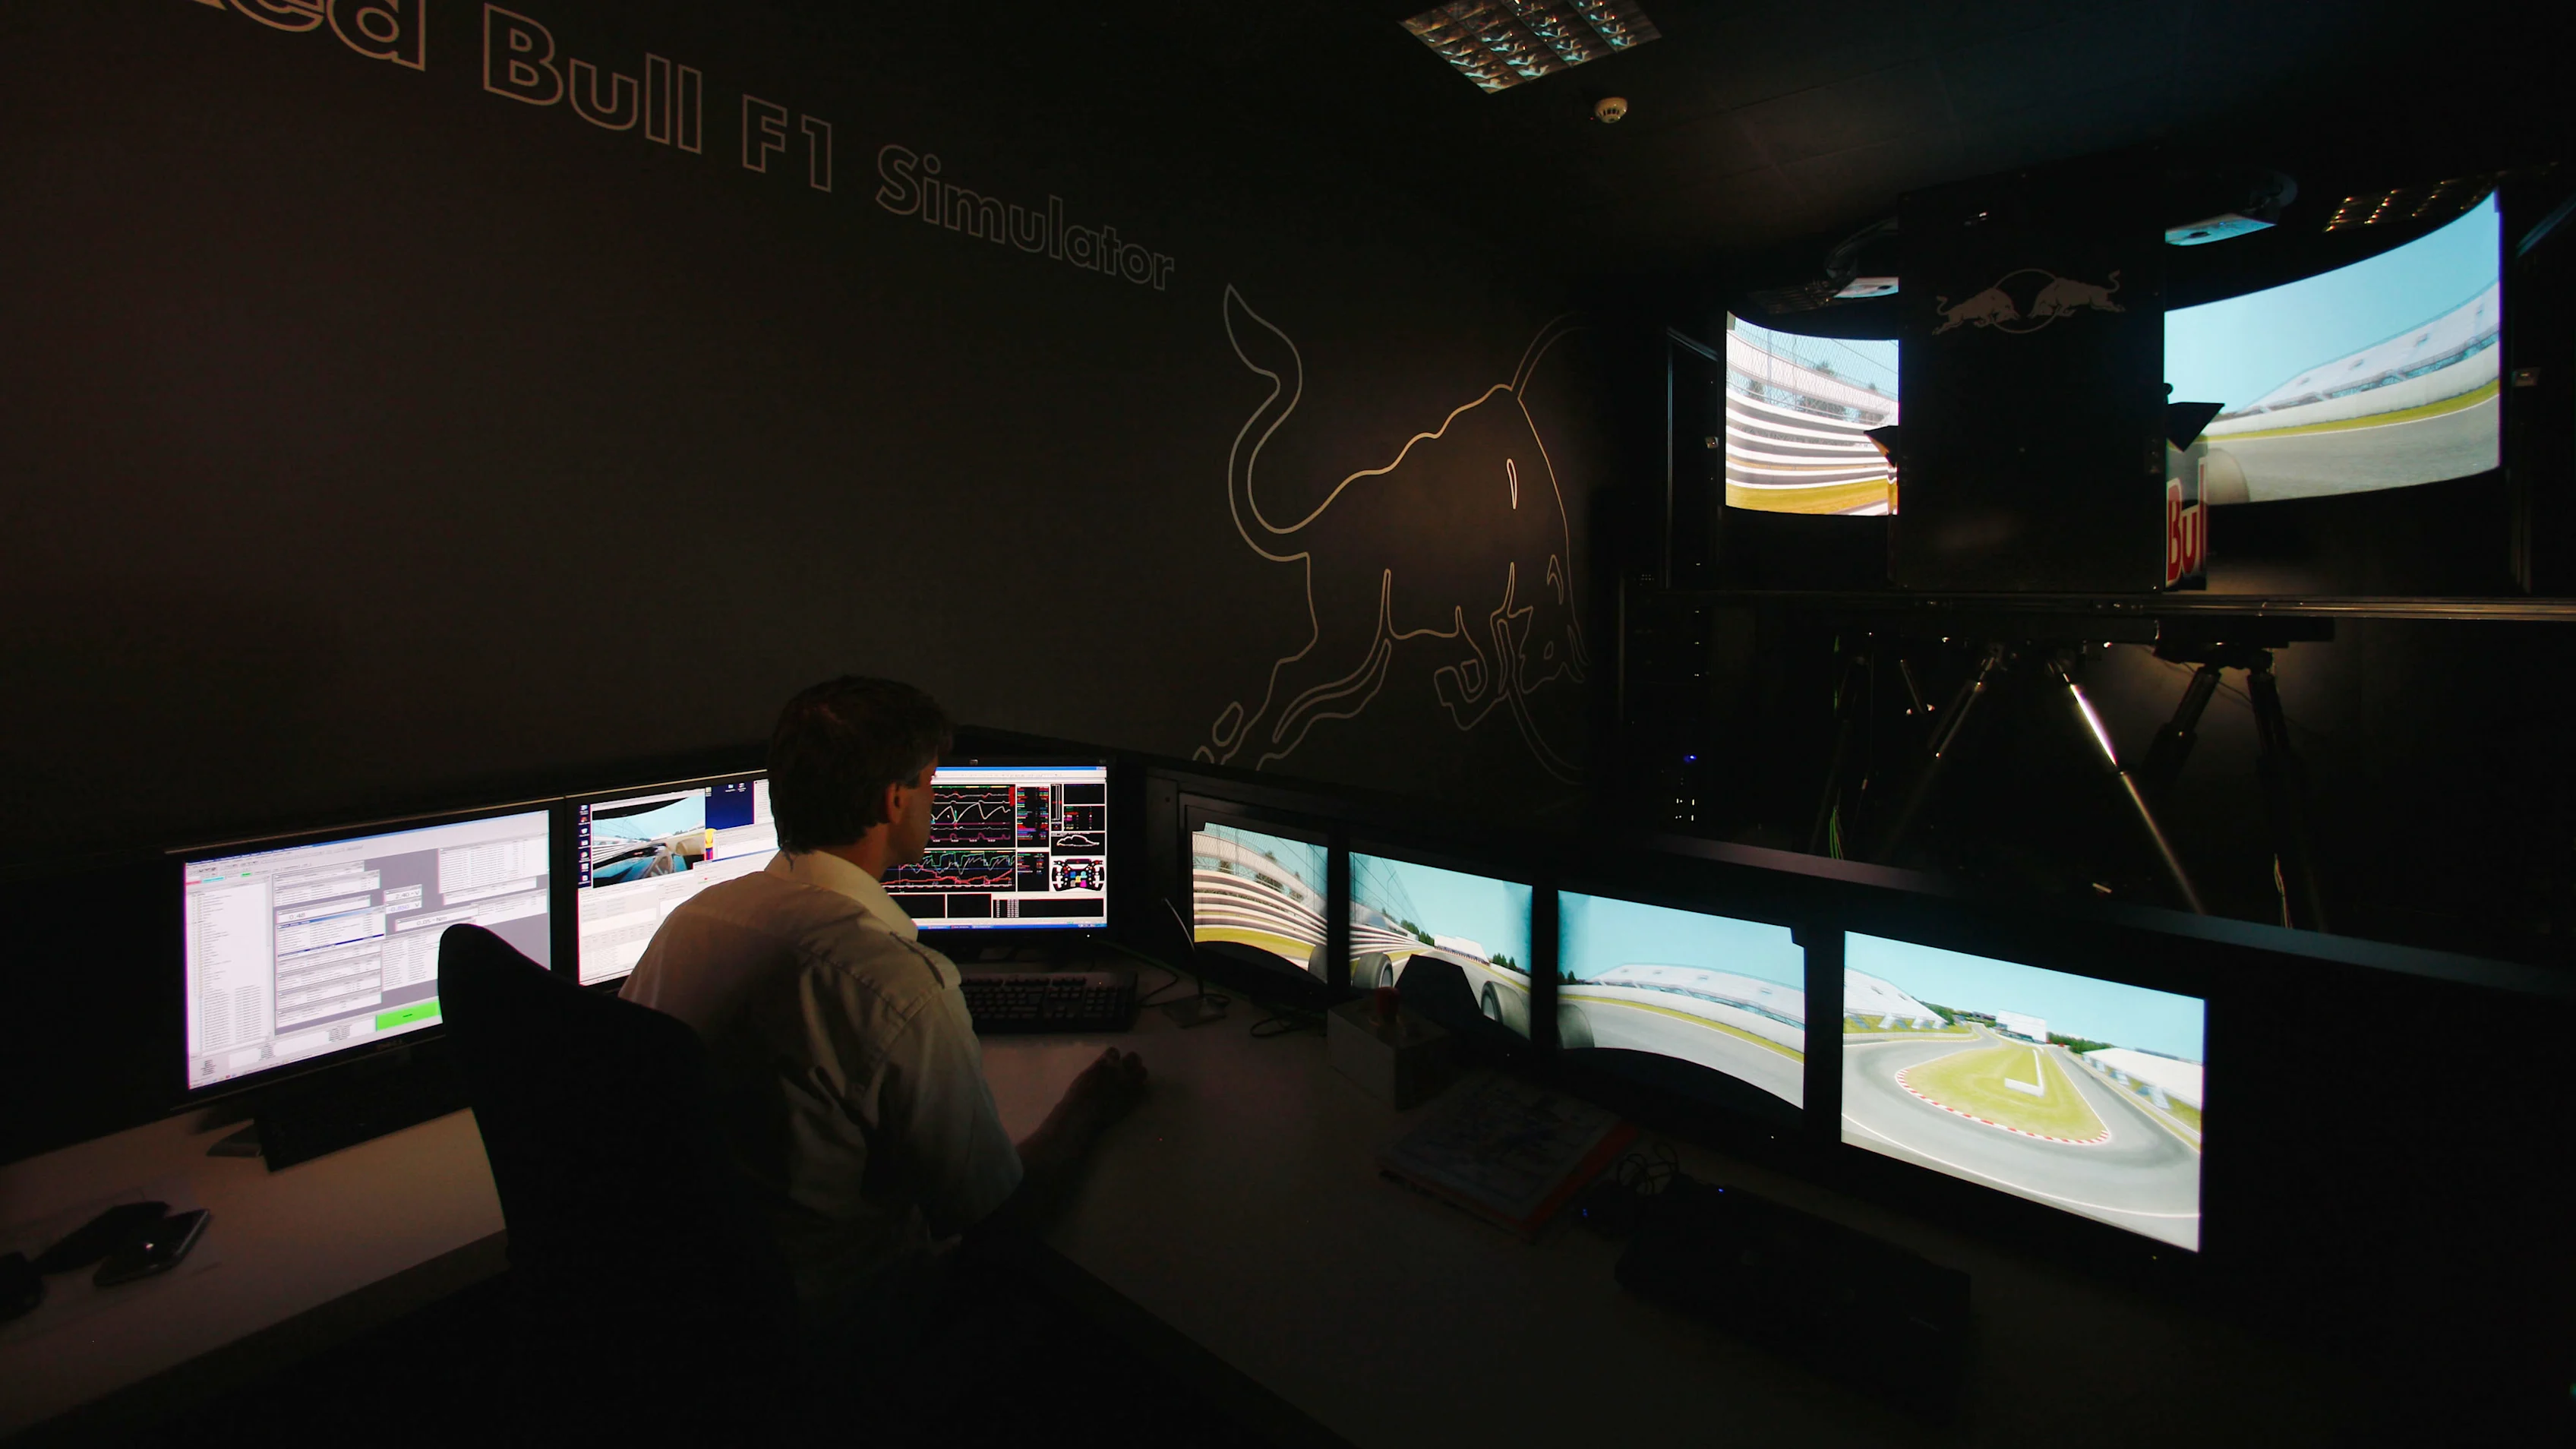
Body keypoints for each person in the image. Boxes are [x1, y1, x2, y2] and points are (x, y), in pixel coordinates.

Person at [620, 675, 1146, 1334]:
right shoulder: (896, 986)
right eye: (932, 783)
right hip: (843, 1344)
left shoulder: (691, 922)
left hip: (688, 1329)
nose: (936, 800)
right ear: (895, 801)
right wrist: (1084, 1111)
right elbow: (997, 1219)